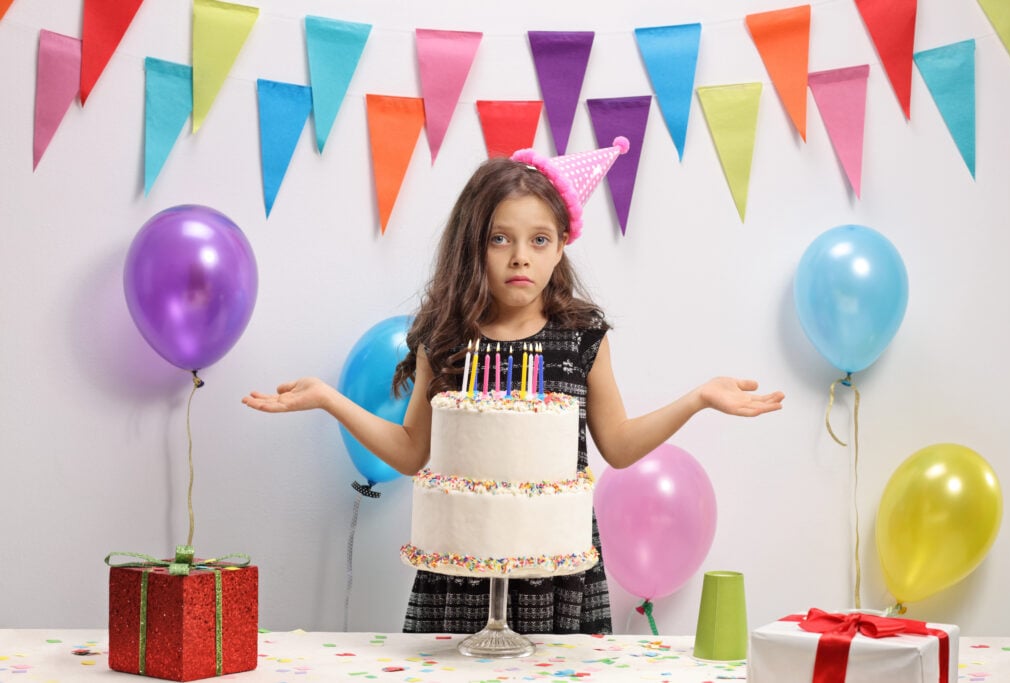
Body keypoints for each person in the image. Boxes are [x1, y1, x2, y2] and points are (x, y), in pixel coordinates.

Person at [242, 136, 784, 635]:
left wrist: (699, 399)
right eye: (500, 238)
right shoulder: (446, 337)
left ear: (561, 246)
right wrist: (327, 399)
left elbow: (617, 446)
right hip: (460, 572)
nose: (520, 255)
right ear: (473, 245)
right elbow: (412, 453)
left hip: (558, 572)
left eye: (538, 239)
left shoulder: (581, 336)